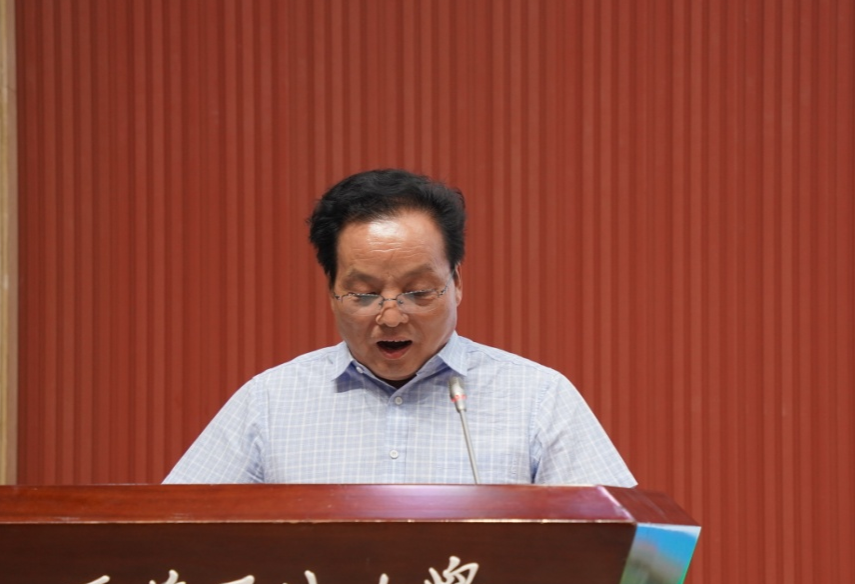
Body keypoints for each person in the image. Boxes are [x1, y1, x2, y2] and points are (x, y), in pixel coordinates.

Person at [164, 168, 635, 486]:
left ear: (457, 283)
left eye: (419, 291)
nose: (391, 317)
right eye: (364, 294)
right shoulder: (269, 402)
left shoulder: (538, 399)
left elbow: (637, 563)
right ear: (331, 290)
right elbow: (168, 541)